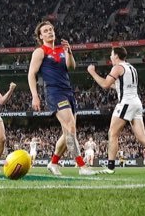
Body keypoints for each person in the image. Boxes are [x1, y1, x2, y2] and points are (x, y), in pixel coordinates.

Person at [28, 20, 96, 176]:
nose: (50, 32)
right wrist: (34, 96)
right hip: (54, 93)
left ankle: (53, 162)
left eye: (51, 29)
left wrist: (69, 52)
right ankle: (82, 166)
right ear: (40, 35)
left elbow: (71, 67)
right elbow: (31, 74)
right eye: (45, 31)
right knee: (71, 128)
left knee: (68, 133)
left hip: (68, 92)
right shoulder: (40, 52)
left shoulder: (61, 49)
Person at [87, 47, 145, 175]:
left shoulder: (117, 67)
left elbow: (105, 85)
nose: (110, 57)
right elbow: (120, 86)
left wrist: (92, 72)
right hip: (136, 103)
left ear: (116, 56)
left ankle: (110, 167)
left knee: (112, 134)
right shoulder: (131, 68)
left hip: (126, 103)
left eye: (111, 55)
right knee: (142, 137)